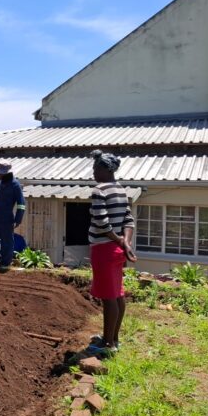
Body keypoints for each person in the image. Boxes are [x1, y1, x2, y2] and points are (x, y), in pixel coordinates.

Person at [87, 149, 136, 355]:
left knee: (108, 297)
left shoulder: (99, 191)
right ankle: (113, 338)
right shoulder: (121, 190)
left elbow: (102, 223)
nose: (93, 172)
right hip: (116, 250)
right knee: (117, 294)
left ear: (104, 169)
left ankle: (108, 345)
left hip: (104, 249)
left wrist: (118, 240)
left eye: (95, 168)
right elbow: (128, 220)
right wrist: (126, 242)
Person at [0, 161, 26, 267]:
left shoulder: (15, 185)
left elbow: (21, 204)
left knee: (6, 240)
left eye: (1, 173)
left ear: (7, 173)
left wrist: (17, 220)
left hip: (7, 217)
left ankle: (5, 263)